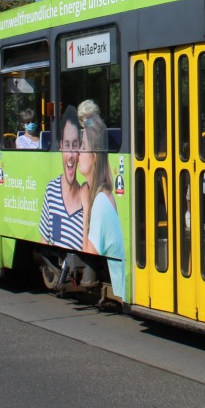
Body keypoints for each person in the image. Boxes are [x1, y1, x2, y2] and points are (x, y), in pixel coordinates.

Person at [78, 111, 124, 297]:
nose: (77, 153)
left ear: (95, 157)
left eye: (82, 148)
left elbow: (88, 254)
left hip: (123, 287)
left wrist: (85, 210)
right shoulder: (103, 195)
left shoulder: (100, 204)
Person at [38, 105, 86, 250]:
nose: (70, 155)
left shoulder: (87, 198)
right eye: (66, 145)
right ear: (60, 147)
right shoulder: (51, 190)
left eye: (74, 145)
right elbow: (44, 243)